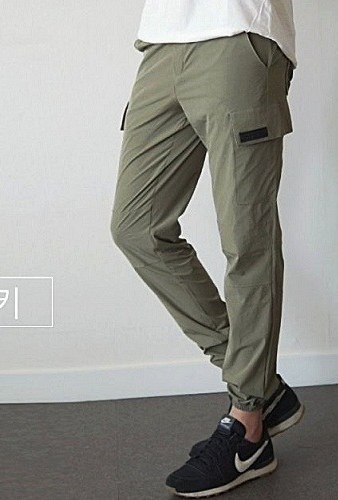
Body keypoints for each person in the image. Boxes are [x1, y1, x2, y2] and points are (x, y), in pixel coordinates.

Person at [110, 0, 305, 497]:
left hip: (239, 35)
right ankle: (261, 384)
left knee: (246, 239)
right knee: (136, 229)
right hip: (162, 42)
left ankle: (248, 425)